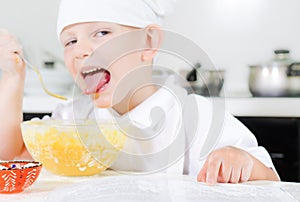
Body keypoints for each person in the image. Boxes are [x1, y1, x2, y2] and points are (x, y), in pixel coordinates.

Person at [0, 0, 279, 184]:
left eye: (102, 33)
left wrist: (240, 162)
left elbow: (271, 182)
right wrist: (14, 80)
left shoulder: (195, 117)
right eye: (70, 40)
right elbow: (11, 159)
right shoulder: (73, 118)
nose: (81, 50)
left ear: (150, 41)